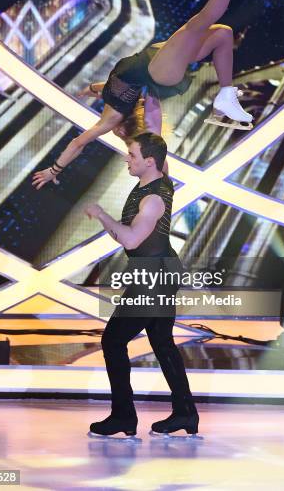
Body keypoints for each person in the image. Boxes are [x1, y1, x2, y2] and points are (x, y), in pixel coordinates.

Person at [31, 0, 270, 190]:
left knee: (223, 34)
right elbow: (79, 143)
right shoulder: (116, 117)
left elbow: (104, 87)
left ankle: (225, 95)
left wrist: (84, 92)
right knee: (197, 24)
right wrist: (54, 170)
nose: (117, 135)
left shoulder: (118, 95)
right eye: (122, 138)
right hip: (159, 69)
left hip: (160, 58)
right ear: (124, 128)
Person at [84, 132, 199, 437]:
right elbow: (127, 236)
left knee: (113, 340)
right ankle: (186, 413)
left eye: (132, 154)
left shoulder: (152, 198)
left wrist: (101, 214)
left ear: (150, 162)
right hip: (160, 272)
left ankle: (123, 416)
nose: (126, 158)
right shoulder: (158, 178)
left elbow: (132, 238)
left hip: (154, 279)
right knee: (162, 343)